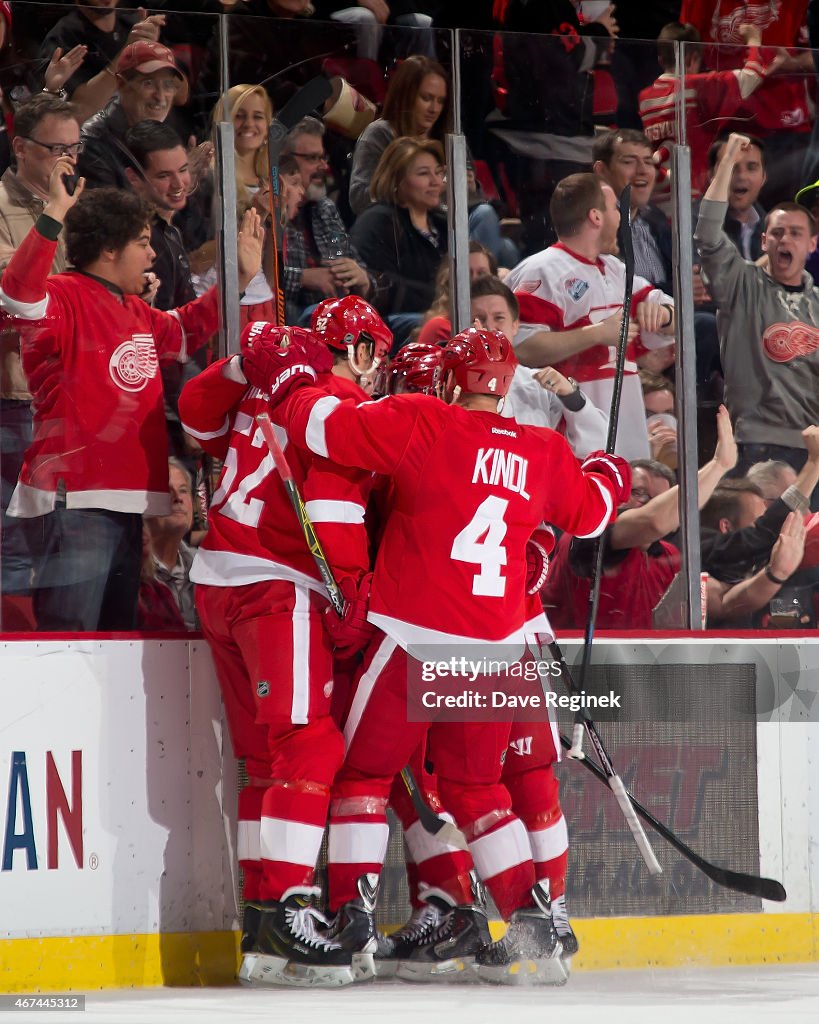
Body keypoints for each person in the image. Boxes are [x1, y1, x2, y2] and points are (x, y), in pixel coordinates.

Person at [242, 323, 629, 984]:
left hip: (414, 638)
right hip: (501, 647)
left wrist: (291, 383)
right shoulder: (541, 449)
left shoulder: (420, 419)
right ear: (507, 386)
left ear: (451, 381)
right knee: (478, 786)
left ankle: (351, 923)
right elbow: (591, 514)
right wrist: (612, 471)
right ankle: (533, 925)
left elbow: (320, 430)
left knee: (362, 775)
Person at [177, 296, 391, 988]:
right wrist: (353, 592)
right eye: (376, 352)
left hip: (218, 577)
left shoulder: (259, 392)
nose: (379, 368)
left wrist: (241, 364)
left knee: (266, 759)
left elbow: (192, 415)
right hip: (278, 585)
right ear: (356, 348)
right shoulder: (335, 404)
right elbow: (330, 508)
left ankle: (262, 920)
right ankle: (289, 909)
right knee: (312, 745)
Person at [0, 171, 263, 633]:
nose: (152, 253)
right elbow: (18, 296)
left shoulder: (133, 308)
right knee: (71, 642)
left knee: (114, 641)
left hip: (128, 502)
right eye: (142, 242)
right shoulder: (63, 295)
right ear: (109, 250)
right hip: (76, 499)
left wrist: (238, 277)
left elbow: (186, 331)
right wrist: (54, 215)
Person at [504, 173, 675, 461]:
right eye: (614, 209)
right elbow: (521, 348)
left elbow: (677, 322)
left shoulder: (617, 270)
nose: (621, 217)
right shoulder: (541, 271)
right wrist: (595, 334)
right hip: (570, 429)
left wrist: (665, 315)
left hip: (626, 422)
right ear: (596, 217)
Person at [695, 133, 819, 496]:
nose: (785, 240)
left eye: (796, 234)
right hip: (755, 445)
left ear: (812, 245)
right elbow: (707, 233)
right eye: (777, 233)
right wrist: (729, 157)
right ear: (763, 242)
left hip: (813, 450)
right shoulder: (740, 286)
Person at [0, 94, 80, 617]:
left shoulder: (80, 202)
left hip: (75, 396)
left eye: (76, 147)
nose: (69, 161)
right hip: (16, 396)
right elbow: (17, 292)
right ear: (21, 147)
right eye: (57, 149)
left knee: (68, 543)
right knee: (12, 539)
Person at [639, 20, 767, 207]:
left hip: (654, 195)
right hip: (691, 196)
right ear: (691, 58)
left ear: (660, 59)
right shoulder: (697, 86)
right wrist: (754, 40)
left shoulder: (645, 97)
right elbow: (754, 74)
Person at [351, 136, 447, 347]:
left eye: (438, 173)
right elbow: (383, 288)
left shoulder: (443, 224)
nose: (436, 182)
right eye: (424, 174)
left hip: (439, 313)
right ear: (397, 182)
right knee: (442, 326)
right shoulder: (377, 221)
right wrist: (440, 298)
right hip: (389, 323)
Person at [280, 117, 374, 323]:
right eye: (313, 158)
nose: (323, 166)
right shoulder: (268, 206)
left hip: (336, 316)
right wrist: (303, 278)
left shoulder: (325, 208)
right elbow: (257, 277)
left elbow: (354, 261)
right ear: (284, 160)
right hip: (291, 320)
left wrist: (362, 277)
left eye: (323, 157)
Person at [78, 40, 190, 191]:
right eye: (148, 83)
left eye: (168, 85)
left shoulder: (167, 129)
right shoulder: (93, 143)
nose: (161, 97)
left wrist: (191, 183)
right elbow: (109, 211)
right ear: (121, 84)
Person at [348, 55, 450, 216]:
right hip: (395, 229)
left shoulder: (448, 137)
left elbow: (476, 196)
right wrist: (406, 188)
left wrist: (468, 187)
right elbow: (359, 199)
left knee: (483, 213)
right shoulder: (380, 134)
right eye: (426, 98)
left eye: (440, 101)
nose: (434, 109)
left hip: (444, 229)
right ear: (406, 95)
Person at [35, 2, 167, 125]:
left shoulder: (135, 24)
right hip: (94, 140)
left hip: (145, 129)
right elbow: (79, 112)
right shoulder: (63, 38)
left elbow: (180, 94)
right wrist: (128, 52)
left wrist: (154, 50)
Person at [592, 129, 673, 296]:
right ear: (601, 170)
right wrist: (678, 290)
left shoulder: (655, 218)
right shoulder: (592, 225)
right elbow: (613, 294)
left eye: (648, 162)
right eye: (629, 162)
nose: (643, 170)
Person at [146, 458, 198, 629]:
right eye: (167, 491)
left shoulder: (206, 568)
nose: (178, 499)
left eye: (183, 490)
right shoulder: (131, 573)